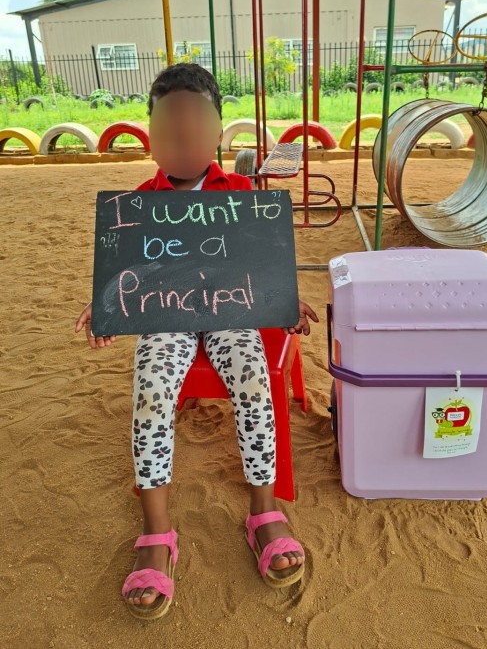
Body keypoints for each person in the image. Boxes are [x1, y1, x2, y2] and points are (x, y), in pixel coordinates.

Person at [75, 63, 318, 621]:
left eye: (195, 131)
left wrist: (285, 298)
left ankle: (264, 511)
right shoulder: (139, 203)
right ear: (150, 137)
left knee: (254, 382)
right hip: (168, 317)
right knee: (152, 392)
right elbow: (127, 271)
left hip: (233, 312)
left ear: (218, 135)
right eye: (169, 132)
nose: (182, 143)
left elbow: (264, 264)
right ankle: (157, 530)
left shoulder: (243, 194)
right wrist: (104, 303)